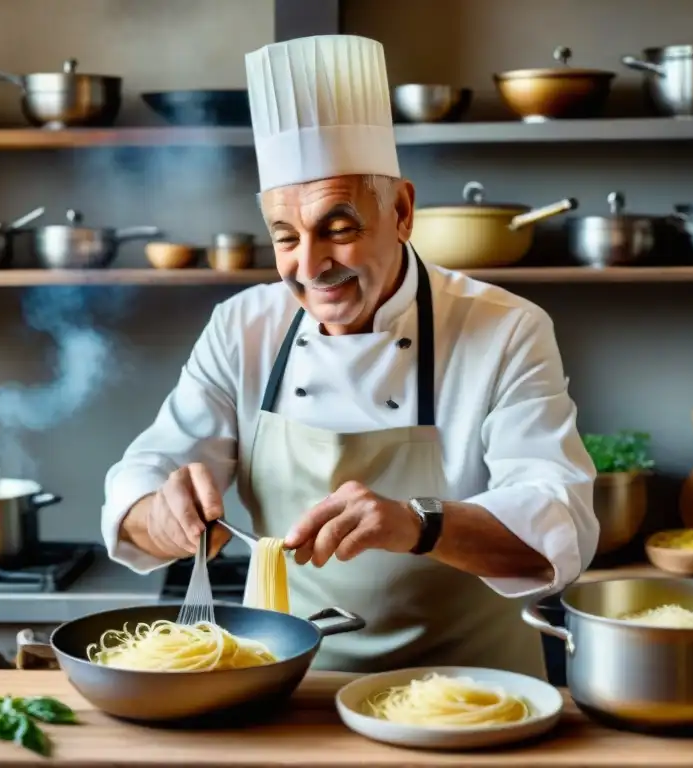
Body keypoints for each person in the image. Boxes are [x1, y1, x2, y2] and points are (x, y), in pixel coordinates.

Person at [102, 34, 598, 677]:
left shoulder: (506, 330)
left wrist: (418, 524)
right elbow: (142, 485)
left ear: (402, 211)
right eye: (286, 238)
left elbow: (560, 526)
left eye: (338, 229)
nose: (311, 267)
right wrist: (166, 517)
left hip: (474, 692)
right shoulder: (241, 328)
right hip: (290, 685)